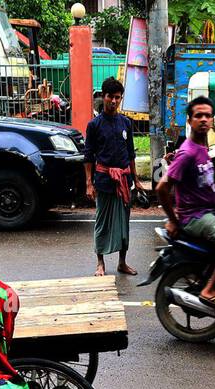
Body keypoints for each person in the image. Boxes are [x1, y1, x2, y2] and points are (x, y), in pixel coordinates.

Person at [157, 95, 215, 309]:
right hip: (196, 217)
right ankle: (210, 289)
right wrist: (174, 219)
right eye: (199, 116)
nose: (204, 119)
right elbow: (162, 188)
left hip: (208, 213)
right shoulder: (187, 152)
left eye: (208, 115)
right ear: (189, 120)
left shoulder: (201, 147)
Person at [84, 77, 137, 277]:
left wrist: (137, 181)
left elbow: (131, 154)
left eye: (117, 97)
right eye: (110, 97)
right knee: (102, 223)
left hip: (124, 181)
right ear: (103, 97)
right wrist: (89, 183)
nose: (113, 101)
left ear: (121, 98)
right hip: (104, 180)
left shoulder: (126, 123)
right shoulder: (94, 125)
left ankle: (122, 262)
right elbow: (88, 156)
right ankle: (100, 263)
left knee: (124, 225)